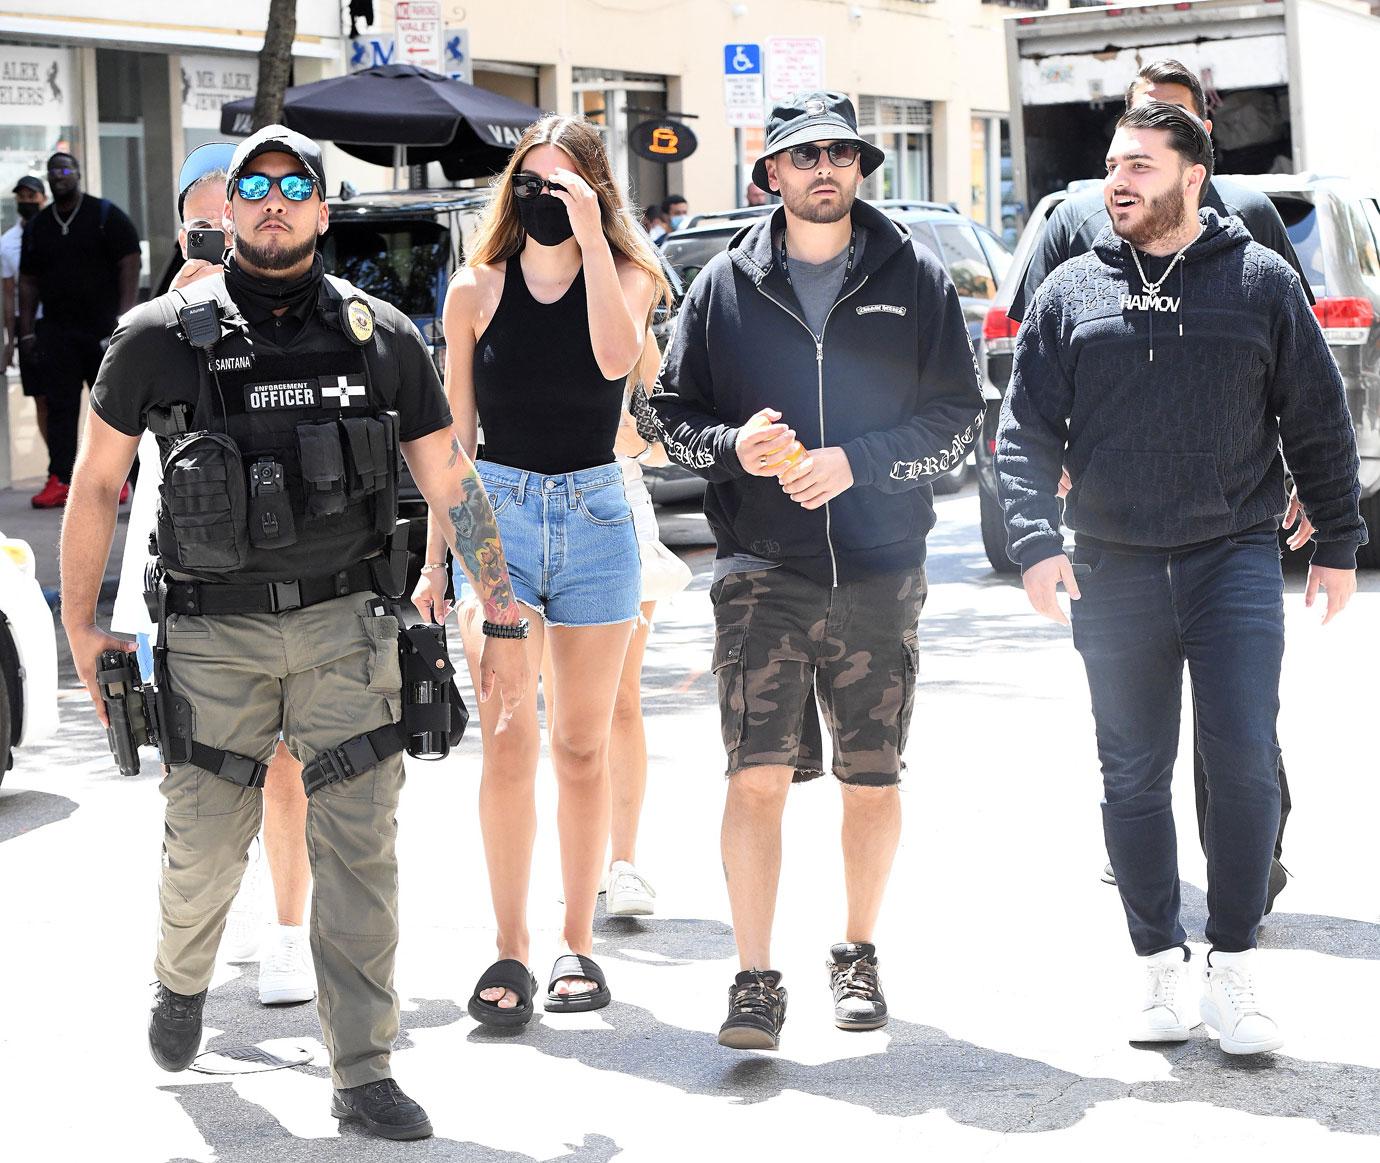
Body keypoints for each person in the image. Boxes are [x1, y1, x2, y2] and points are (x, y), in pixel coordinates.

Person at [60, 125, 528, 1141]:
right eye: (255, 186)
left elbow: (448, 473)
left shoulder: (380, 337)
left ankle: (361, 1067)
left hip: (347, 630)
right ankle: (180, 978)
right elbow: (96, 482)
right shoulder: (156, 336)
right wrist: (82, 625)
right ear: (225, 207)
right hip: (212, 642)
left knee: (361, 850)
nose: (274, 200)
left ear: (322, 209)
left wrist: (499, 598)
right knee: (203, 855)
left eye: (295, 185)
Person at [996, 102, 1364, 1056]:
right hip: (1111, 568)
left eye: (1140, 166)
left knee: (1243, 762)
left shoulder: (1260, 284)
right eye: (1112, 165)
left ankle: (1234, 967)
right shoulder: (1072, 290)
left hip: (1234, 556)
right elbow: (1024, 431)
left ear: (1192, 174)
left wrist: (1336, 540)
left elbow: (1317, 418)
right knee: (1133, 774)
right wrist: (1036, 542)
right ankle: (1157, 967)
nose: (1117, 182)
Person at [647, 91, 985, 1050]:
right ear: (773, 175)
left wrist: (860, 460)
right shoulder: (722, 285)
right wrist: (731, 445)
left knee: (871, 778)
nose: (824, 169)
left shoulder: (912, 275)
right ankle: (755, 977)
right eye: (804, 157)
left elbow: (960, 414)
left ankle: (857, 949)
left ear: (861, 169)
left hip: (881, 568)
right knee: (755, 775)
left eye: (841, 153)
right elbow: (667, 414)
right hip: (762, 567)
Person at [1006, 58, 1310, 906]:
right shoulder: (1075, 226)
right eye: (1126, 139)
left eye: (1165, 128)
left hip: (1230, 526)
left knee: (1239, 725)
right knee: (1135, 741)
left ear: (1200, 141)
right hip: (1120, 533)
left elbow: (1290, 362)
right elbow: (1038, 347)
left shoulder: (1249, 223)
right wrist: (1053, 458)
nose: (1134, 159)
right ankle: (1146, 859)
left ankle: (1247, 854)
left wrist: (1301, 478)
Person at [410, 115, 669, 1026]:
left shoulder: (632, 277)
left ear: (594, 191)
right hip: (501, 520)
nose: (546, 202)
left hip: (599, 516)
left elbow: (609, 362)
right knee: (512, 738)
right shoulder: (475, 289)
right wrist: (439, 561)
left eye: (566, 186)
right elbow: (453, 440)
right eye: (532, 183)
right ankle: (510, 948)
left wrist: (595, 235)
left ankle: (577, 945)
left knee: (583, 745)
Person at [109, 141, 316, 1007]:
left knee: (284, 763)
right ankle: (195, 931)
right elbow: (109, 454)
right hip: (174, 568)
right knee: (195, 766)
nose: (234, 222)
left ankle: (287, 932)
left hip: (277, 569)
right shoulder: (158, 327)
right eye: (210, 213)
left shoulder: (291, 317)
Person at [18, 151, 140, 509]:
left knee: (112, 407)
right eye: (54, 170)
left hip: (103, 330)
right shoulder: (40, 226)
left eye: (66, 169)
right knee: (60, 407)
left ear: (79, 174)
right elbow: (27, 282)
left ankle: (119, 479)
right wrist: (26, 332)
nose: (60, 175)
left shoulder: (105, 215)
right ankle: (60, 479)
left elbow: (130, 261)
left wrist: (125, 317)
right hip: (56, 332)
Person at [2, 176, 47, 408]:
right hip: (28, 325)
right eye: (22, 197)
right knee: (40, 396)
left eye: (32, 196)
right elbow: (8, 295)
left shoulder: (57, 233)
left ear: (44, 199)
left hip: (57, 320)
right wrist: (10, 342)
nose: (27, 201)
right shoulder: (7, 243)